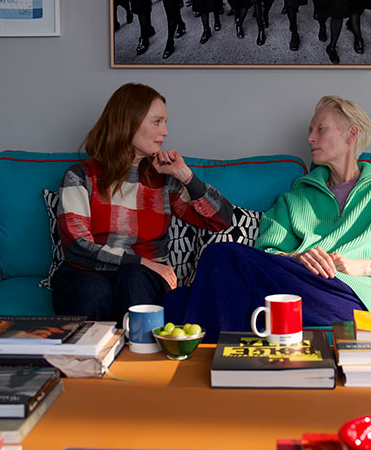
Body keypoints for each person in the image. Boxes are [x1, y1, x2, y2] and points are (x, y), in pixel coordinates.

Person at [165, 96, 371, 343]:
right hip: (297, 287)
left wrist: (366, 266)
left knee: (219, 257)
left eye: (320, 129)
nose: (310, 138)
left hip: (350, 298)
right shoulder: (296, 196)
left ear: (351, 134)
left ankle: (202, 376)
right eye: (310, 131)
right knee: (175, 301)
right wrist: (298, 258)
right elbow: (266, 255)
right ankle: (226, 376)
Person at [52, 83, 235, 324]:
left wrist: (186, 177)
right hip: (86, 274)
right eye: (157, 121)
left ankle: (141, 357)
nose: (166, 132)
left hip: (142, 278)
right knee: (95, 289)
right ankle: (88, 359)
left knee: (135, 277)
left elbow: (221, 220)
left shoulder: (162, 181)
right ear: (128, 123)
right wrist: (139, 260)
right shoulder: (80, 176)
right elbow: (77, 246)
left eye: (165, 122)